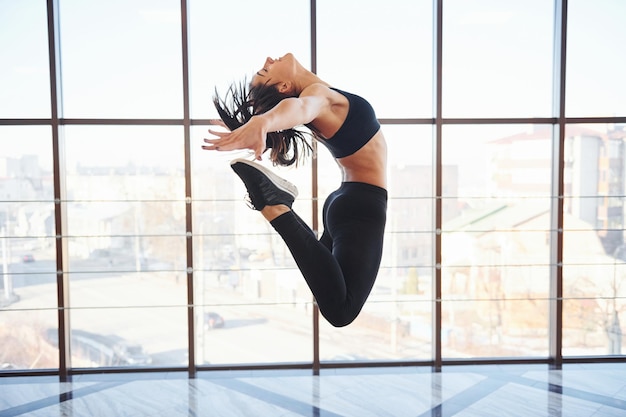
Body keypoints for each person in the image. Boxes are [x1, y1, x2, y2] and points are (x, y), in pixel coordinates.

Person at [202, 53, 387, 327]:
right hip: (361, 205)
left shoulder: (321, 101)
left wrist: (262, 123)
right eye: (266, 70)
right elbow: (300, 107)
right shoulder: (319, 97)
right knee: (341, 311)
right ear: (285, 87)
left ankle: (279, 206)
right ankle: (277, 208)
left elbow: (296, 110)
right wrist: (263, 122)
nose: (267, 59)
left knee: (332, 291)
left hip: (347, 201)